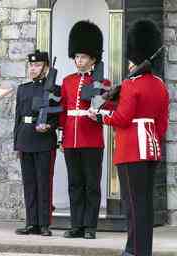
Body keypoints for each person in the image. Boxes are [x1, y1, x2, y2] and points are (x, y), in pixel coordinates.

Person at [89, 19, 169, 256]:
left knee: (133, 204)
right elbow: (162, 123)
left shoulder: (131, 84)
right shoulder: (160, 84)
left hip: (131, 149)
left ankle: (135, 250)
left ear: (133, 60)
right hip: (151, 147)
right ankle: (141, 249)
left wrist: (99, 116)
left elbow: (122, 118)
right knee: (144, 203)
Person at [60, 20, 110, 239]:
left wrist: (98, 113)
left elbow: (109, 108)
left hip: (91, 139)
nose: (78, 60)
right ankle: (76, 225)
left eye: (83, 57)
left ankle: (90, 226)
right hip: (71, 138)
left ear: (93, 59)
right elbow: (63, 111)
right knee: (74, 184)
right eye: (77, 56)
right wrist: (62, 135)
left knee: (91, 185)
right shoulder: (67, 81)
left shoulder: (102, 82)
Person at [14, 50, 60, 236]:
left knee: (43, 182)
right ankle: (31, 222)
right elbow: (17, 117)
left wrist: (49, 126)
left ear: (46, 68)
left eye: (38, 65)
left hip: (43, 140)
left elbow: (58, 117)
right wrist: (16, 143)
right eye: (31, 65)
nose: (33, 69)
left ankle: (44, 224)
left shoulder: (54, 89)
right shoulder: (23, 88)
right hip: (25, 137)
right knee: (29, 183)